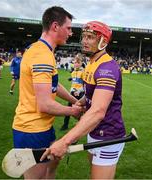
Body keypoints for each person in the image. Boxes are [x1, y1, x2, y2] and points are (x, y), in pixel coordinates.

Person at [41, 21, 126, 179]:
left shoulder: (107, 68)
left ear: (103, 41)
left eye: (90, 37)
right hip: (93, 131)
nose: (84, 41)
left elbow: (98, 111)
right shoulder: (92, 63)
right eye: (84, 37)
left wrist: (65, 141)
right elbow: (90, 94)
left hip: (108, 135)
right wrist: (81, 101)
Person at [12, 6, 82, 179]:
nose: (71, 32)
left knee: (50, 170)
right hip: (32, 129)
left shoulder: (41, 50)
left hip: (42, 127)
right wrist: (73, 111)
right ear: (55, 26)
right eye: (68, 28)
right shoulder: (41, 55)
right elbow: (44, 104)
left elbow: (54, 86)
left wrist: (74, 100)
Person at [60, 53, 85, 131]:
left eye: (78, 63)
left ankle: (82, 125)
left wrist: (79, 91)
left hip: (80, 93)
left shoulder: (83, 72)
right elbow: (74, 82)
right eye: (75, 62)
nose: (76, 64)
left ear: (81, 63)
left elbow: (85, 84)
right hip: (73, 93)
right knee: (69, 109)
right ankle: (65, 125)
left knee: (82, 110)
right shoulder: (73, 72)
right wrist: (72, 90)